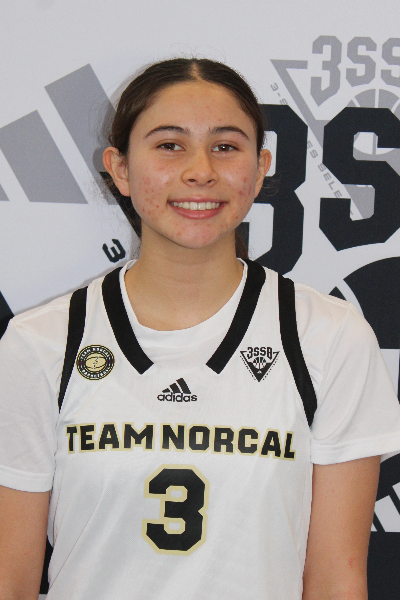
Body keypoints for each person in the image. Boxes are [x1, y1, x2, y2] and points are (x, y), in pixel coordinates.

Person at [0, 57, 400, 600]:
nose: (200, 171)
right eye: (169, 145)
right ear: (120, 168)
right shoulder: (41, 344)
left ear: (260, 167)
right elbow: (10, 581)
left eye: (225, 146)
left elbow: (337, 581)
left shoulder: (329, 338)